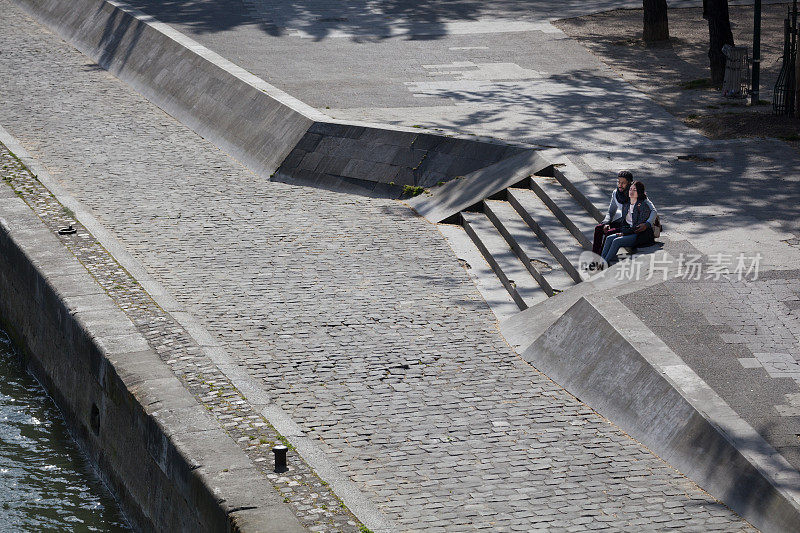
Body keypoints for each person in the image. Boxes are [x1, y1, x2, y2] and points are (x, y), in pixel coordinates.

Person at [600, 180, 657, 265]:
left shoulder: (642, 206)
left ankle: (603, 263)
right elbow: (624, 222)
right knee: (609, 238)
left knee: (616, 241)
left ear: (639, 192)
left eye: (635, 190)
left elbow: (637, 227)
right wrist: (623, 232)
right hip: (628, 231)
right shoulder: (626, 204)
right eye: (630, 189)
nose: (631, 191)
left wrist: (624, 234)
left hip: (639, 234)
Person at [593, 170, 633, 255]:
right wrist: (606, 223)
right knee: (599, 228)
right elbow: (611, 212)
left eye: (623, 183)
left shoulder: (634, 195)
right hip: (622, 221)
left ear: (629, 183)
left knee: (610, 232)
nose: (620, 185)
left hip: (630, 225)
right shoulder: (616, 193)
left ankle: (602, 257)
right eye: (619, 182)